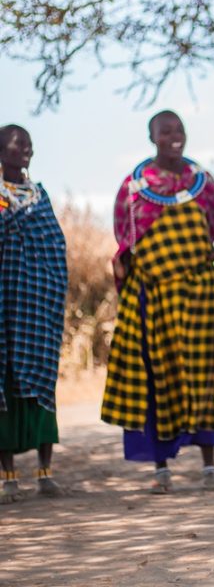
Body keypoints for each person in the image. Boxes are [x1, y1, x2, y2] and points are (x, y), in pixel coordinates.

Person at [101, 110, 214, 493]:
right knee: (159, 372)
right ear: (152, 137)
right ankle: (161, 469)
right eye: (165, 131)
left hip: (199, 292)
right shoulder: (133, 188)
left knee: (203, 374)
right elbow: (126, 238)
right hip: (154, 293)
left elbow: (209, 231)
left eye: (179, 130)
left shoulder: (204, 184)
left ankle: (209, 468)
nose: (174, 136)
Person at [0, 125, 67, 503]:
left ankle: (45, 473)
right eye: (16, 143)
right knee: (5, 385)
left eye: (28, 143)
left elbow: (55, 243)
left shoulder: (40, 195)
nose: (25, 148)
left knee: (42, 382)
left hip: (39, 304)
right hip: (5, 304)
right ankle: (8, 476)